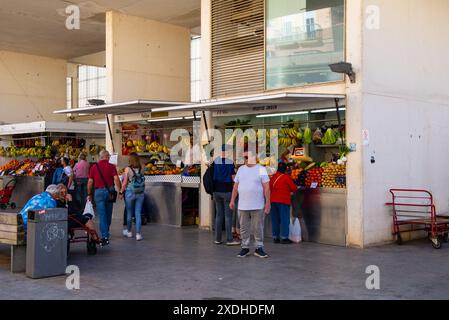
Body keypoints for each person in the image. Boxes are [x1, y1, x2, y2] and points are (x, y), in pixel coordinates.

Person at [230, 151, 271, 258]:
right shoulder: (241, 169)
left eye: (247, 157)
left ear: (253, 157)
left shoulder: (261, 169)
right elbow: (235, 186)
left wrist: (268, 203)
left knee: (258, 228)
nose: (245, 159)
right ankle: (245, 247)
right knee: (243, 228)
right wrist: (232, 200)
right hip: (243, 205)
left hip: (258, 205)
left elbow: (266, 187)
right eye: (244, 157)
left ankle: (259, 248)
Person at [87, 150, 122, 247]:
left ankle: (105, 236)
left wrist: (89, 194)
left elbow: (90, 182)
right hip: (109, 192)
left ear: (100, 157)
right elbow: (116, 179)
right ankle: (106, 233)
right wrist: (120, 191)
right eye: (109, 156)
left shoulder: (94, 167)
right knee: (108, 213)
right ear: (106, 156)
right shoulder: (111, 167)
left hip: (98, 192)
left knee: (102, 215)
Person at [212, 145, 240, 246]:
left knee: (218, 215)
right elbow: (233, 177)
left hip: (216, 191)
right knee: (228, 216)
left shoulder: (215, 161)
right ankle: (229, 239)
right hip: (227, 191)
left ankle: (217, 239)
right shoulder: (230, 162)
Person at [270, 162, 298, 244]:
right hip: (283, 201)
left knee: (275, 219)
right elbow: (294, 188)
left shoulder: (273, 177)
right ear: (285, 169)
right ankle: (284, 238)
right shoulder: (286, 177)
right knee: (284, 219)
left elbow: (269, 187)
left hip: (273, 200)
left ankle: (275, 237)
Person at [119, 153, 145, 241]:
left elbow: (125, 183)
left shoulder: (127, 169)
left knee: (129, 213)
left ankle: (129, 232)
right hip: (140, 192)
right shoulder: (142, 167)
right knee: (138, 213)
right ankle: (138, 234)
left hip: (130, 192)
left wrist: (121, 191)